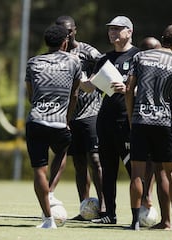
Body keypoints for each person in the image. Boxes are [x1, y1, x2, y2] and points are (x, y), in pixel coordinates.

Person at [126, 24, 172, 231]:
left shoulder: (141, 57)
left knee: (137, 172)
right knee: (171, 172)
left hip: (140, 121)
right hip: (164, 123)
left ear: (162, 38)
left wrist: (131, 115)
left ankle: (135, 222)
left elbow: (129, 89)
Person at [81, 15, 139, 224]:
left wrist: (129, 89)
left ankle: (140, 213)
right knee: (107, 169)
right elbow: (90, 86)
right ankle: (109, 214)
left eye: (117, 29)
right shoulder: (104, 59)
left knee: (135, 169)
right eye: (110, 30)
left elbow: (146, 87)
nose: (112, 33)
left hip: (127, 121)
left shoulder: (138, 57)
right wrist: (77, 78)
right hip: (104, 121)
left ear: (129, 32)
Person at [24, 24, 81, 229]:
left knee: (39, 170)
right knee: (62, 151)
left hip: (36, 120)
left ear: (46, 42)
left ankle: (48, 219)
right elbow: (74, 94)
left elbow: (31, 95)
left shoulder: (33, 62)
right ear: (65, 42)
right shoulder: (74, 61)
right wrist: (67, 119)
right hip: (59, 122)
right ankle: (51, 191)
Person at [54, 15, 105, 220]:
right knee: (79, 163)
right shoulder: (56, 53)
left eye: (68, 30)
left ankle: (103, 207)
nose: (65, 34)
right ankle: (85, 208)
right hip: (70, 115)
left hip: (92, 112)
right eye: (61, 31)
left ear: (75, 30)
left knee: (95, 159)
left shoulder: (87, 51)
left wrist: (92, 82)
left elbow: (106, 65)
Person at [138, 36, 162, 209]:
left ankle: (147, 196)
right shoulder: (136, 65)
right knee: (141, 164)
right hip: (137, 120)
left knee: (156, 164)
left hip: (159, 121)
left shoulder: (166, 68)